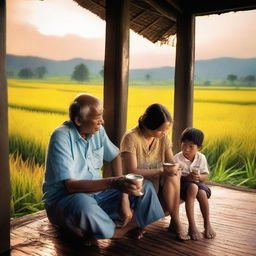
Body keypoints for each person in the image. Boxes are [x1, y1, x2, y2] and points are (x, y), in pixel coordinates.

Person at [42, 94, 165, 245]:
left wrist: (123, 197)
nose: (102, 121)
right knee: (83, 206)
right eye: (98, 117)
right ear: (79, 120)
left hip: (97, 195)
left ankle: (95, 228)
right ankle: (116, 231)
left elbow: (114, 156)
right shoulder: (61, 136)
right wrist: (114, 182)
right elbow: (71, 186)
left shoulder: (97, 131)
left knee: (144, 187)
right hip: (66, 199)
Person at [120, 103, 189, 241]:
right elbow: (132, 171)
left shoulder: (162, 137)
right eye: (160, 130)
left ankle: (175, 222)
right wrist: (161, 171)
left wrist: (177, 166)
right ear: (147, 125)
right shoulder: (131, 138)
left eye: (166, 130)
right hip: (137, 188)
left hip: (159, 187)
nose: (164, 133)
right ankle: (174, 223)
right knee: (165, 176)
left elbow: (170, 162)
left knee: (174, 175)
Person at [174, 127, 216, 240]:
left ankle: (207, 224)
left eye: (191, 146)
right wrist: (186, 177)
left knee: (202, 192)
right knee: (192, 187)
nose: (186, 149)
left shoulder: (201, 157)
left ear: (199, 147)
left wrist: (199, 177)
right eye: (184, 144)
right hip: (183, 186)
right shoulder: (177, 158)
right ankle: (192, 226)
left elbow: (206, 175)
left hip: (198, 183)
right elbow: (173, 177)